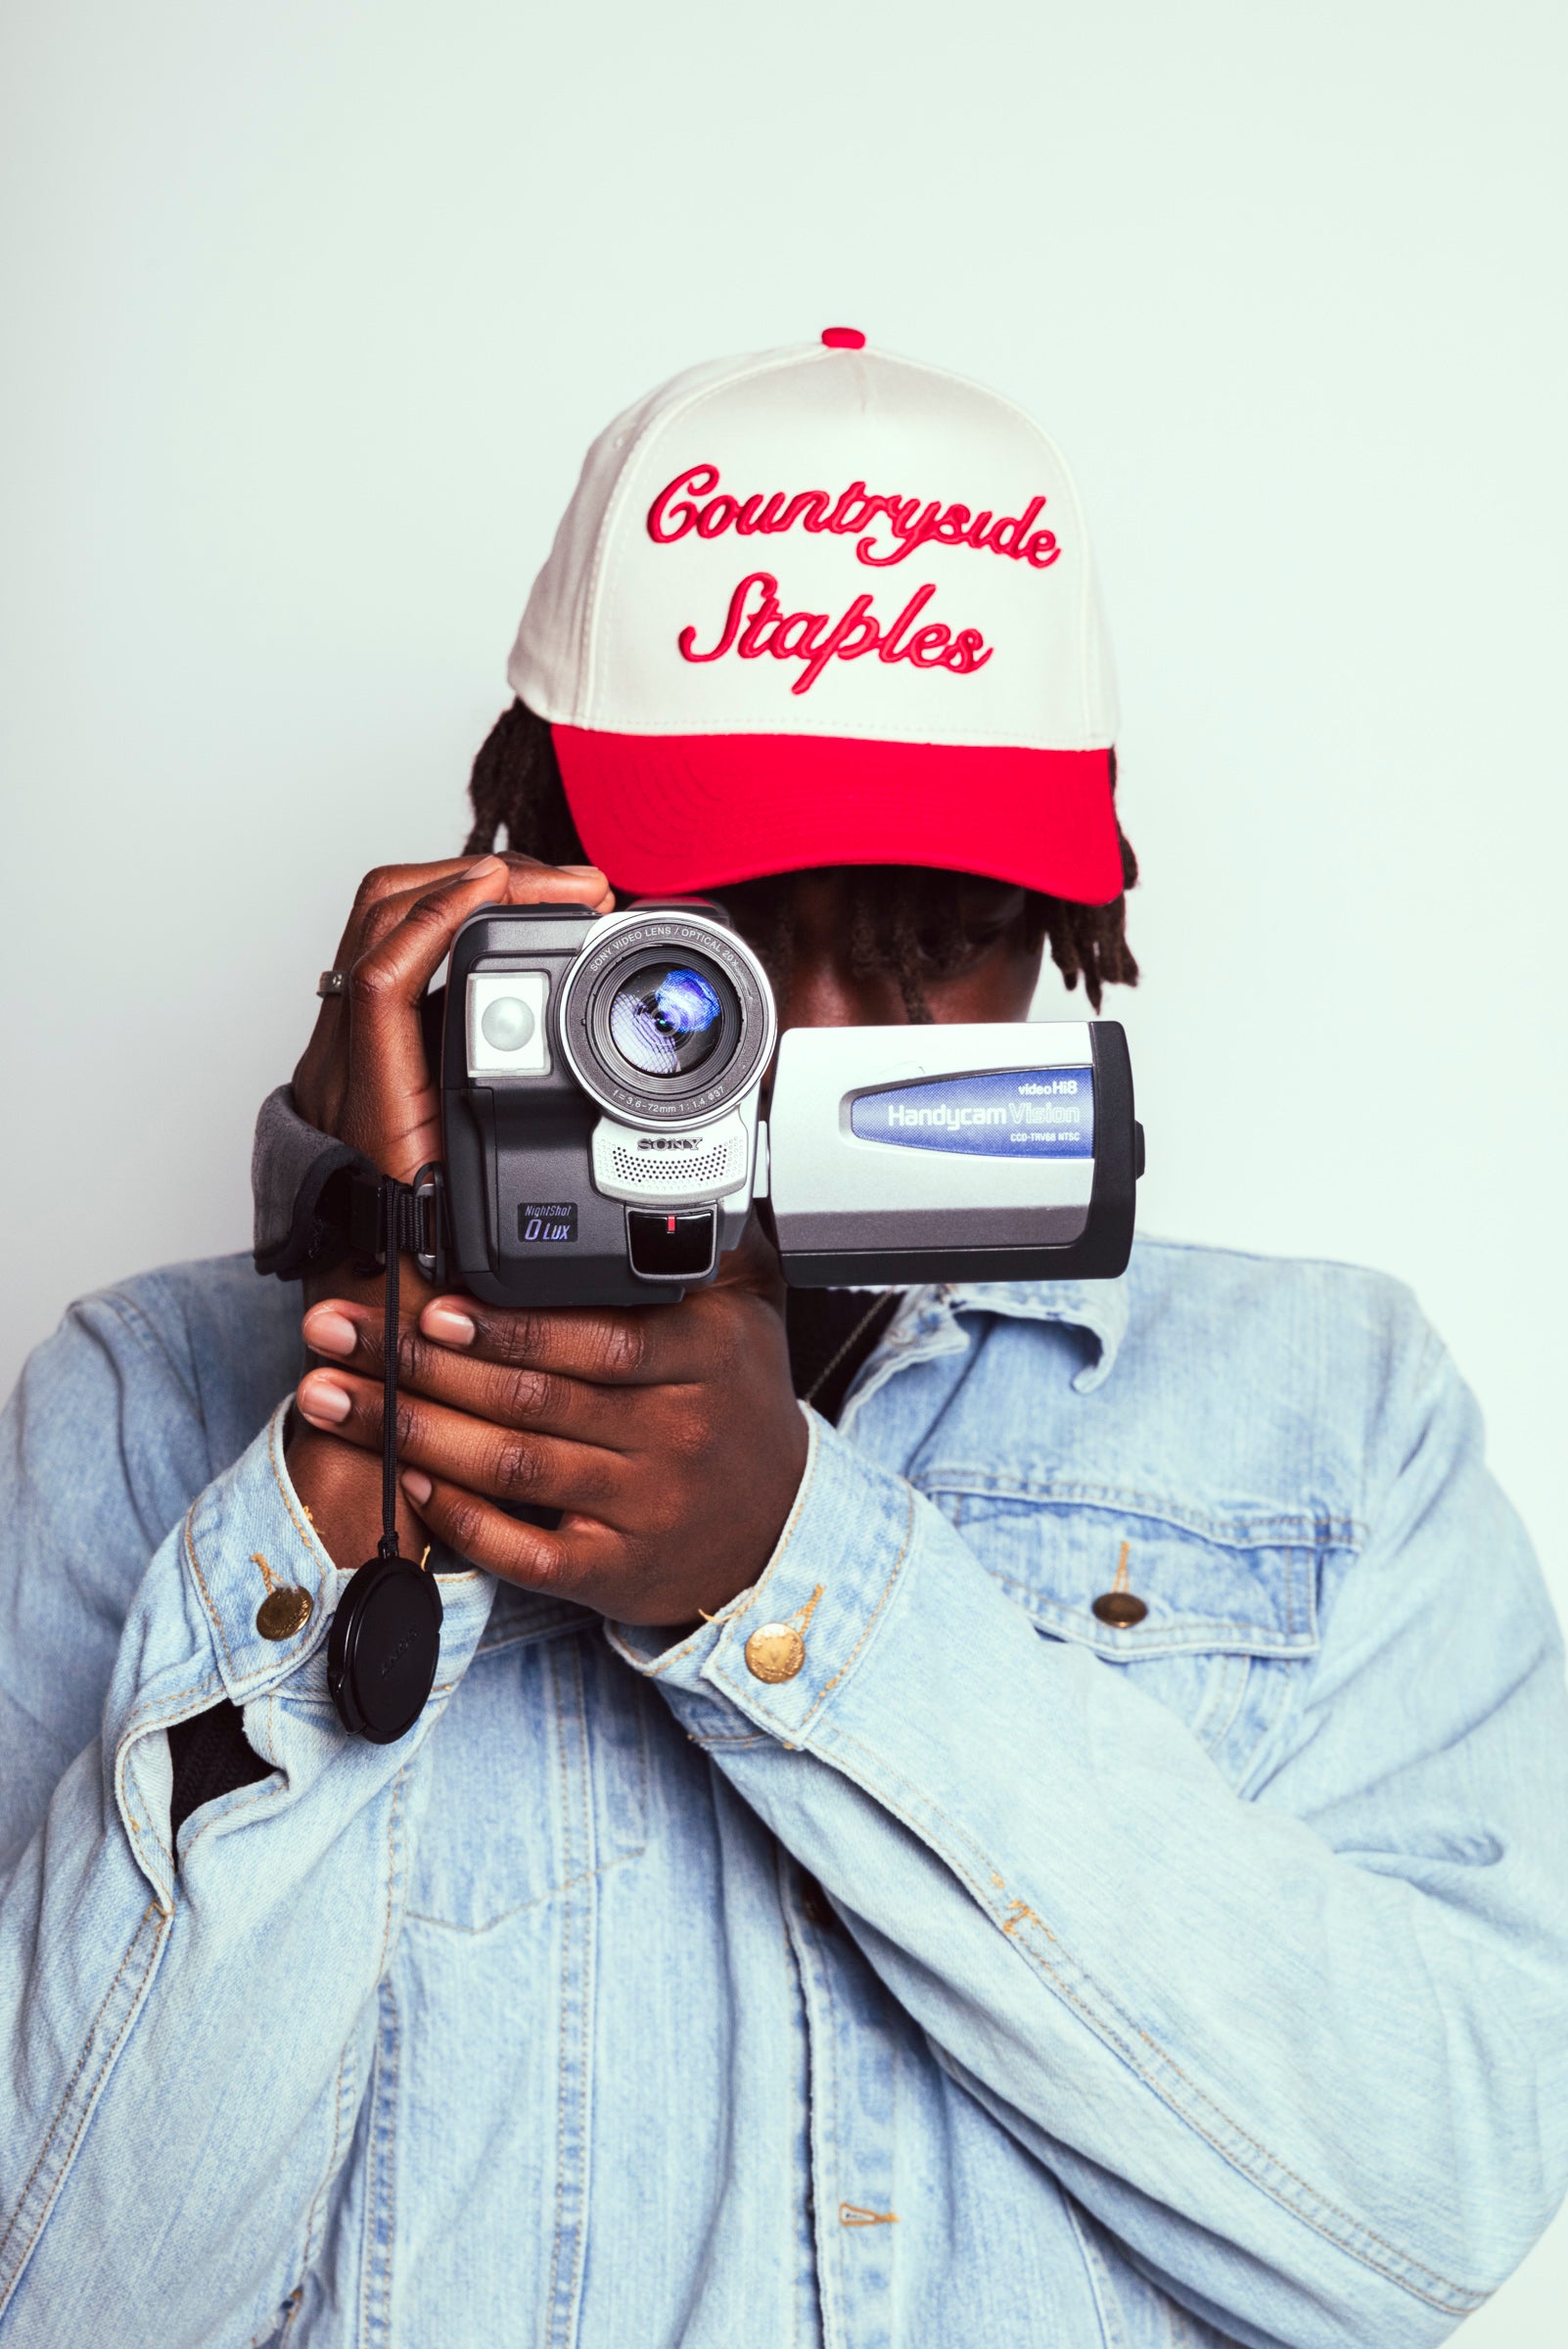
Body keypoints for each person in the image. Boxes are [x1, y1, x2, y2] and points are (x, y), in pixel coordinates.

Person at [1, 330, 1565, 2349]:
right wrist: (362, 1430)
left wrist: (791, 1574)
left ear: (1078, 935)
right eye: (713, 938)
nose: (816, 1030)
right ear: (511, 871)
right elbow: (61, 2302)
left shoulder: (1336, 1422)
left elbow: (1428, 2213)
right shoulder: (157, 1412)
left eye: (933, 937)